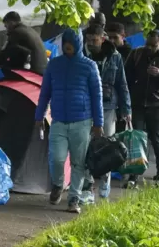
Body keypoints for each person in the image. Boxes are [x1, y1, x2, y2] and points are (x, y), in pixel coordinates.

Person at [35, 28, 104, 214]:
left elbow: (97, 96)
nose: (68, 48)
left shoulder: (89, 66)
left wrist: (99, 123)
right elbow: (45, 93)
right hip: (58, 120)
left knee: (78, 162)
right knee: (56, 158)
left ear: (79, 44)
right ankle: (58, 184)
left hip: (82, 121)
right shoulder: (54, 65)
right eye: (66, 45)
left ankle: (74, 198)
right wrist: (39, 115)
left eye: (72, 45)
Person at [81, 24, 131, 202]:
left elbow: (121, 84)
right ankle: (87, 187)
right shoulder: (82, 55)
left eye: (94, 40)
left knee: (107, 147)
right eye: (88, 40)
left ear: (102, 39)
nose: (91, 43)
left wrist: (127, 110)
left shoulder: (115, 57)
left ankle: (105, 179)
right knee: (86, 147)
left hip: (108, 106)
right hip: (86, 106)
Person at [124, 30, 159, 187]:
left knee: (156, 138)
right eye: (147, 44)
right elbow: (126, 76)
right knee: (137, 138)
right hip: (138, 102)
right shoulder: (136, 54)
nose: (149, 48)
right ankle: (133, 175)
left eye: (153, 45)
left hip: (157, 103)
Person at [106, 22, 132, 133]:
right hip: (108, 100)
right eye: (109, 37)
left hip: (124, 100)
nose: (111, 41)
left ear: (123, 36)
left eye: (115, 37)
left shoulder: (131, 53)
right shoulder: (104, 52)